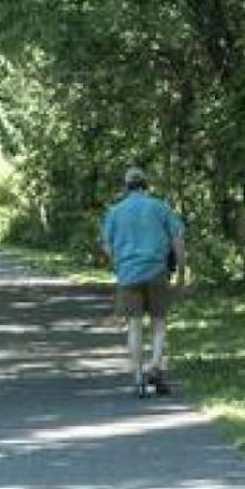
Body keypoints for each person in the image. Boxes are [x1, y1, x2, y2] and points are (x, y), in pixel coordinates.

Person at [100, 166, 187, 394]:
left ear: (126, 187)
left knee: (134, 326)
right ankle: (155, 367)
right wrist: (181, 271)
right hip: (157, 271)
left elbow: (107, 246)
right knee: (159, 322)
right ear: (145, 185)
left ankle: (138, 378)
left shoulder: (115, 212)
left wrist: (119, 265)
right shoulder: (160, 208)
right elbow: (178, 239)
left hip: (128, 274)